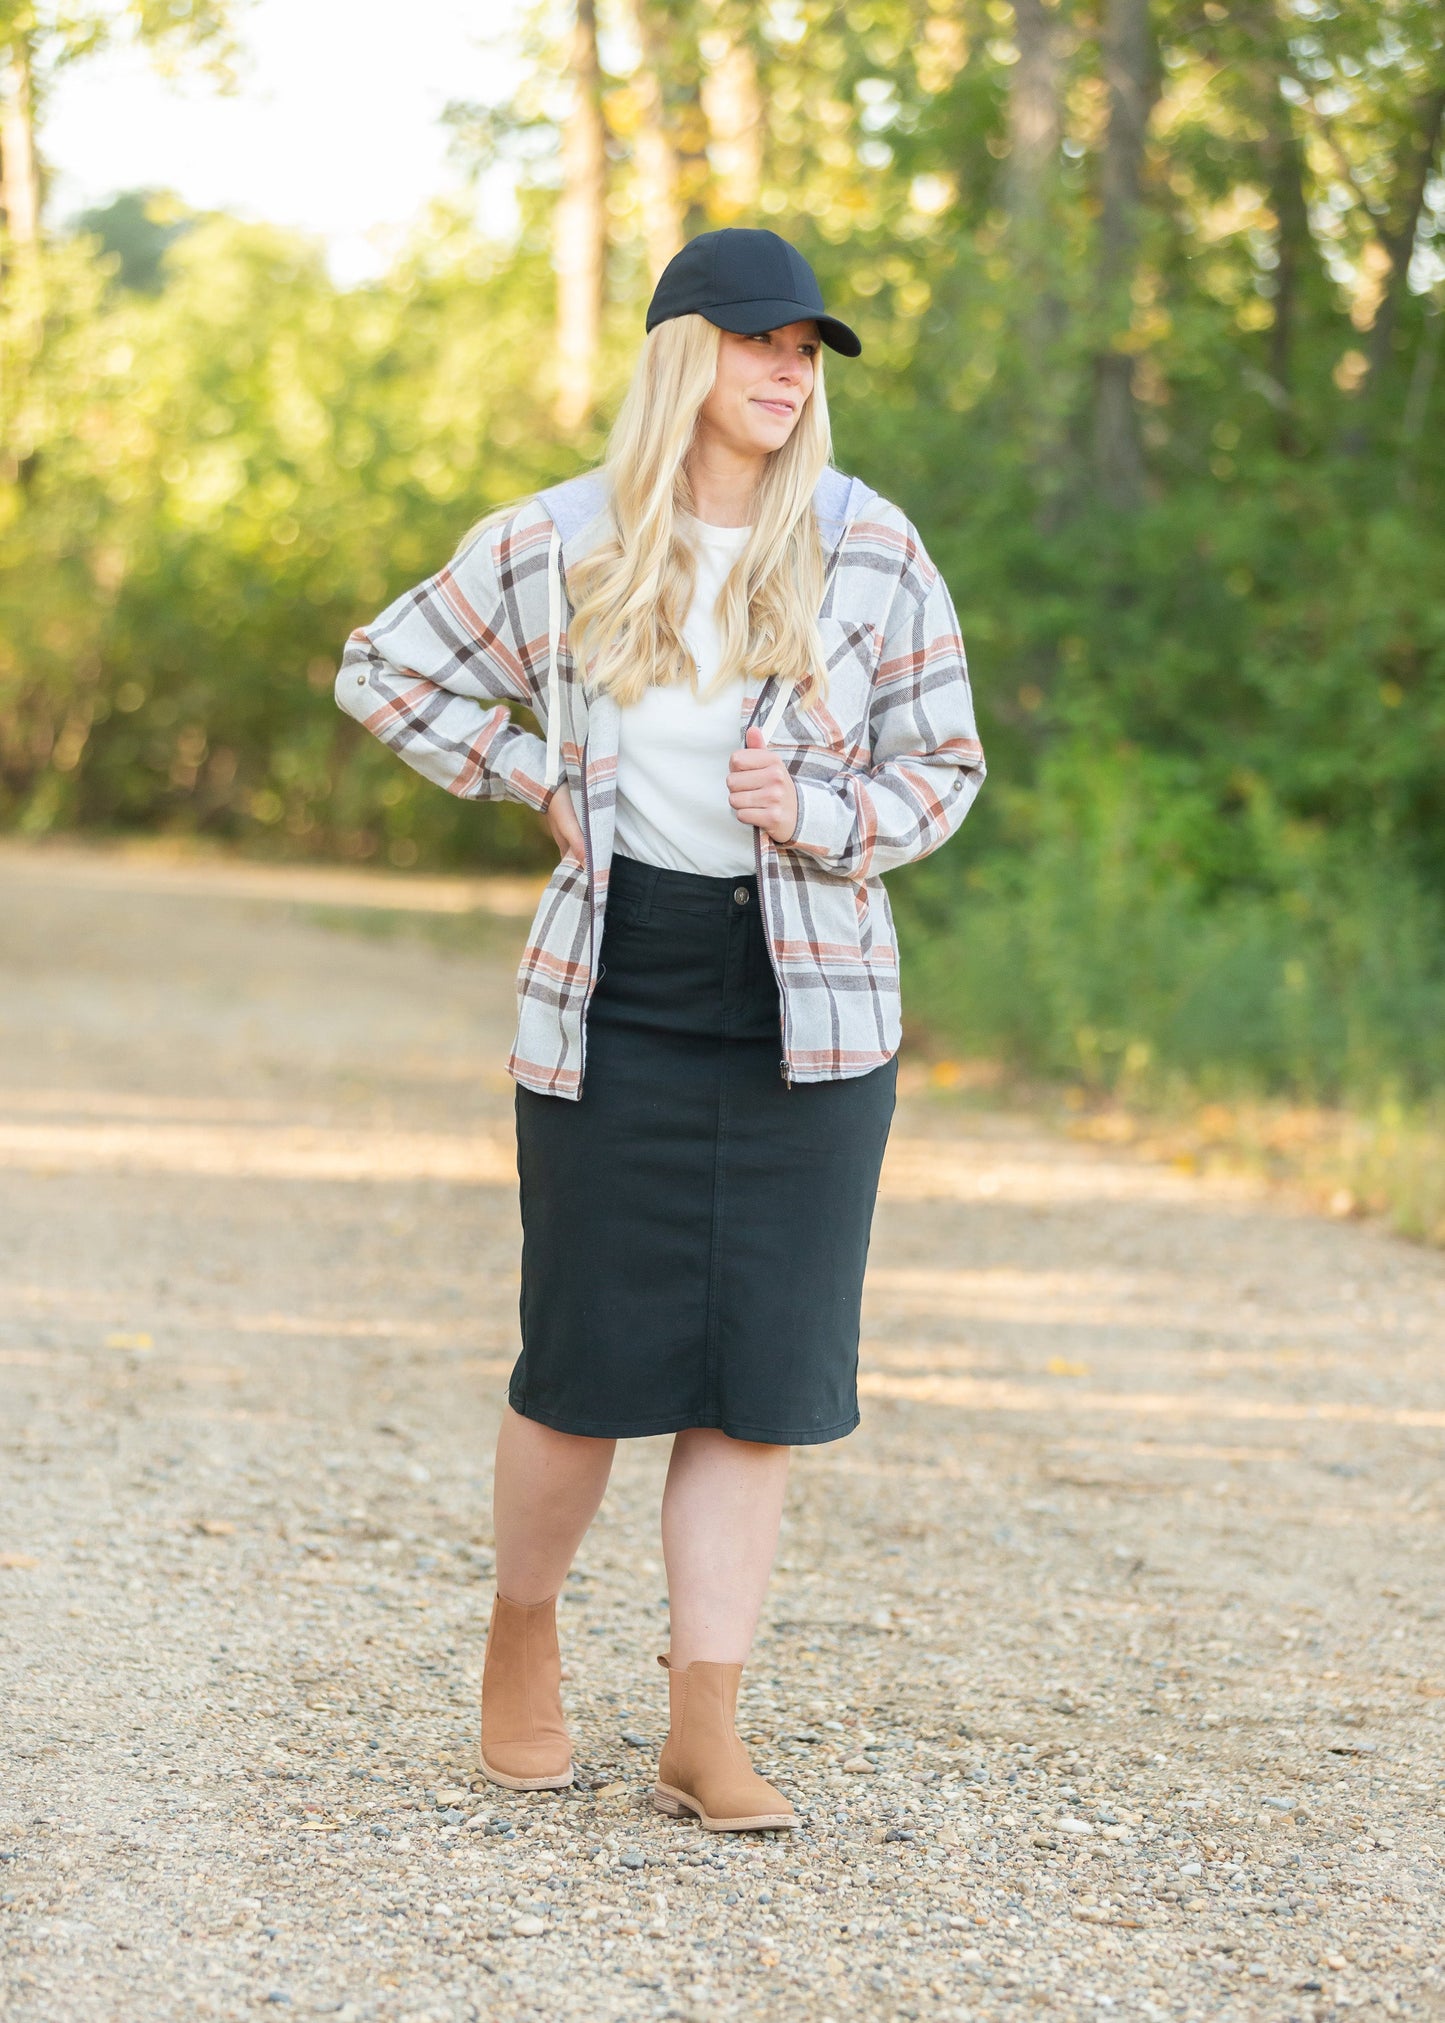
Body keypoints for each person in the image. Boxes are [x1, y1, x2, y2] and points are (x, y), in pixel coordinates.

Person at [334, 226, 985, 1835]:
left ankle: (707, 1727)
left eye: (807, 351)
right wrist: (527, 774)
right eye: (760, 340)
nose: (788, 371)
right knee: (583, 1364)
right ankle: (521, 1650)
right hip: (612, 993)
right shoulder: (559, 540)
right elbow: (382, 670)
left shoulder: (867, 545)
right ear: (682, 353)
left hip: (807, 1010)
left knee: (759, 1377)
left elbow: (947, 767)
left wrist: (824, 811)